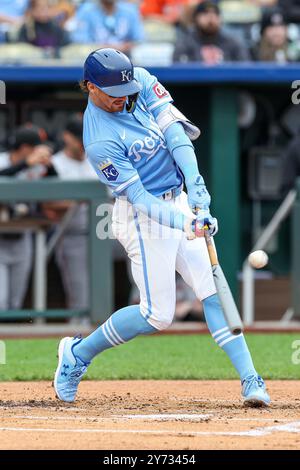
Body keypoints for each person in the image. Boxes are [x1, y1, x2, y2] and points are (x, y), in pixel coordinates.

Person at [53, 47, 270, 407]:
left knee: (212, 288)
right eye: (113, 95)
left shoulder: (138, 80)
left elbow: (175, 134)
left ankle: (251, 379)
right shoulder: (98, 139)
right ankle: (77, 354)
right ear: (90, 87)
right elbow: (140, 198)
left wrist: (196, 184)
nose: (123, 100)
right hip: (143, 218)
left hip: (178, 198)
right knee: (157, 315)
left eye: (126, 91)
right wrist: (185, 222)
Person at [42, 116, 97, 311]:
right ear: (67, 137)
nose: (84, 143)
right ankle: (78, 335)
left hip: (106, 236)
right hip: (72, 235)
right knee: (80, 296)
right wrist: (77, 201)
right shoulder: (54, 164)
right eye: (79, 138)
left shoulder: (97, 159)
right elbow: (46, 204)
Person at [0, 126, 53, 310]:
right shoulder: (2, 160)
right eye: (35, 148)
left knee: (15, 301)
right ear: (24, 148)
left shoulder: (36, 166)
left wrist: (49, 166)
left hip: (23, 237)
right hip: (1, 237)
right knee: (0, 301)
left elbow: (58, 186)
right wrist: (25, 164)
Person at [173, 1, 250, 63]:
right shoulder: (185, 43)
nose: (211, 17)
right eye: (205, 13)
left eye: (215, 13)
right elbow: (179, 69)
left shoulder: (233, 43)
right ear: (195, 18)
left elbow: (245, 70)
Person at [68, 0, 143, 54]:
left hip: (126, 57)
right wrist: (106, 48)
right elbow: (79, 40)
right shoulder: (86, 10)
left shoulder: (130, 10)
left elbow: (139, 39)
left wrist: (122, 47)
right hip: (95, 58)